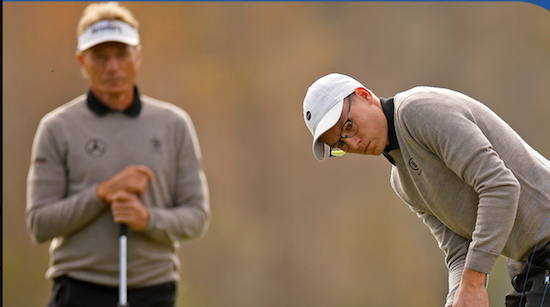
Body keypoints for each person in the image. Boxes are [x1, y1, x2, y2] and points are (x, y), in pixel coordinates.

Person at [302, 73, 550, 307]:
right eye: (340, 144)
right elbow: (459, 252)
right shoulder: (401, 181)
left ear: (364, 95)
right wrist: (456, 299)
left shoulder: (416, 111)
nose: (353, 143)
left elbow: (501, 186)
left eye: (348, 127)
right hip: (531, 262)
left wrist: (474, 280)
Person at [26, 3, 211, 307]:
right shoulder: (56, 127)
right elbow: (40, 224)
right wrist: (101, 194)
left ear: (137, 55)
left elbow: (197, 217)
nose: (112, 67)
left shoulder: (174, 124)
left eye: (121, 54)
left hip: (155, 288)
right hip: (79, 288)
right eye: (99, 56)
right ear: (82, 61)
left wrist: (147, 219)